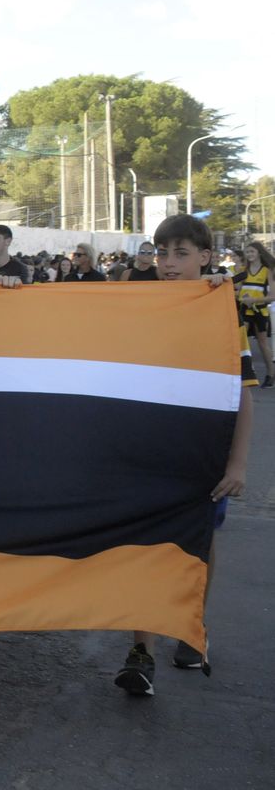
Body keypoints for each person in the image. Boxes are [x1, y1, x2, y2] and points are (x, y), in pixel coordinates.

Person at [114, 214, 255, 694]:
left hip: (198, 451)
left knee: (197, 541)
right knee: (142, 541)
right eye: (161, 252)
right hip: (143, 448)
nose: (168, 263)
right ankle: (142, 649)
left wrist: (236, 463)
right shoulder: (138, 303)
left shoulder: (219, 309)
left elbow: (244, 394)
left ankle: (191, 626)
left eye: (180, 253)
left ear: (206, 257)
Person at [233, 241, 275, 387]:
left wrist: (254, 299)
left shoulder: (267, 271)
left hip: (260, 311)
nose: (249, 254)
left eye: (252, 251)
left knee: (262, 343)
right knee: (240, 341)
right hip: (245, 310)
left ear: (258, 253)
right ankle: (244, 373)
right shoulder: (244, 271)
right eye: (247, 252)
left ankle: (271, 374)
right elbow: (236, 288)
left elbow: (272, 296)